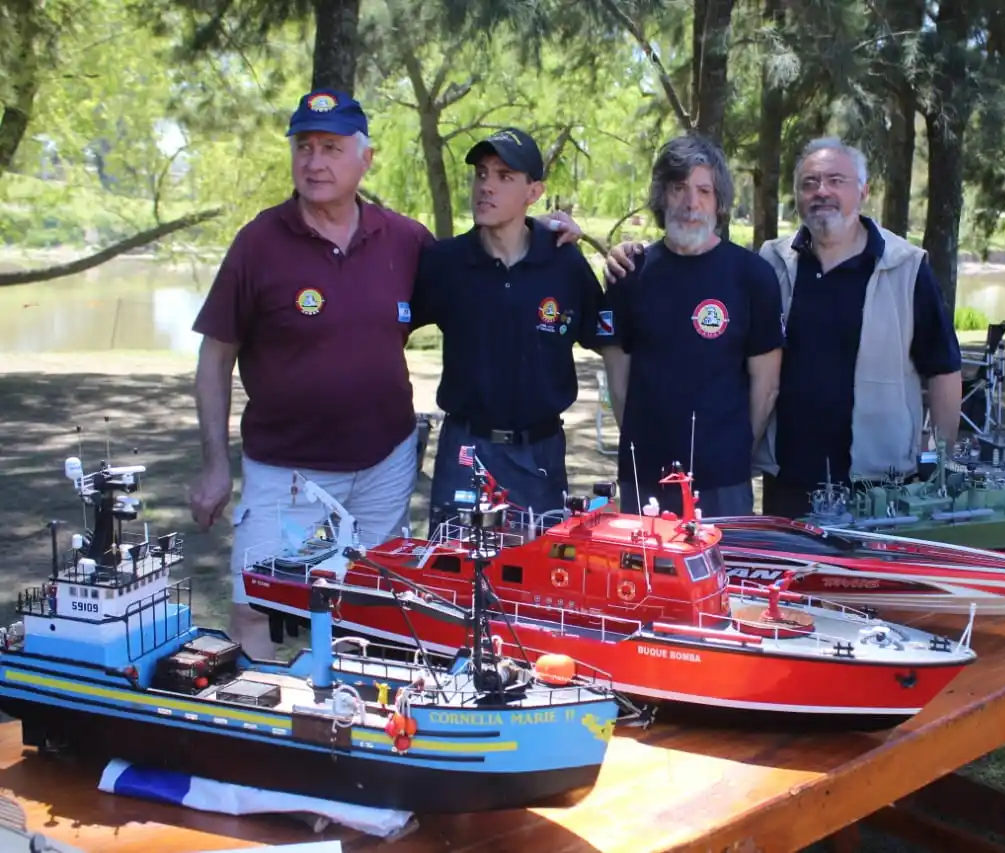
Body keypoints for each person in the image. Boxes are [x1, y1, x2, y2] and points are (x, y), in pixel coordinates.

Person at [188, 94, 580, 658]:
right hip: (288, 471)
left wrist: (535, 229)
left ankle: (350, 706)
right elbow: (215, 355)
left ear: (365, 159)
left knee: (374, 608)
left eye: (331, 148)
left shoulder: (404, 241)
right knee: (257, 603)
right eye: (304, 147)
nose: (314, 162)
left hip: (383, 469)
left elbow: (485, 259)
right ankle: (263, 706)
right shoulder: (260, 243)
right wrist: (213, 465)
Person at [607, 137, 961, 519]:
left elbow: (943, 369)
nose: (821, 191)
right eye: (810, 183)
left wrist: (936, 462)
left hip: (879, 482)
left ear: (864, 191)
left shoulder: (905, 268)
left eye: (836, 180)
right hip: (788, 478)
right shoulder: (773, 262)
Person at [411, 128, 610, 528]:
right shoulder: (445, 263)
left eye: (504, 176)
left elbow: (611, 342)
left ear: (533, 192)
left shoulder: (564, 264)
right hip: (464, 450)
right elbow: (387, 329)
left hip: (539, 455)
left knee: (535, 566)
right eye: (481, 174)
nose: (486, 186)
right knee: (451, 564)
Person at [598, 134, 783, 517]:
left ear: (719, 202)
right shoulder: (629, 274)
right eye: (678, 188)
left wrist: (734, 452)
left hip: (724, 482)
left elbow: (766, 387)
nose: (691, 203)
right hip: (643, 476)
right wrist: (644, 444)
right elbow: (618, 383)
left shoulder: (753, 277)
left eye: (704, 190)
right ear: (661, 196)